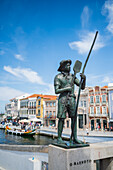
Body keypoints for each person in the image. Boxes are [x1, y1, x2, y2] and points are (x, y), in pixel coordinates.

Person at [54, 59, 86, 144]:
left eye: (69, 65)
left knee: (74, 118)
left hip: (72, 99)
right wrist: (67, 88)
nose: (69, 67)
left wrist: (84, 79)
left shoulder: (73, 76)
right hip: (63, 99)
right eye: (67, 65)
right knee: (61, 118)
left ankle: (75, 137)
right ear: (63, 67)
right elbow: (56, 91)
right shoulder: (58, 77)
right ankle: (59, 138)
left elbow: (81, 87)